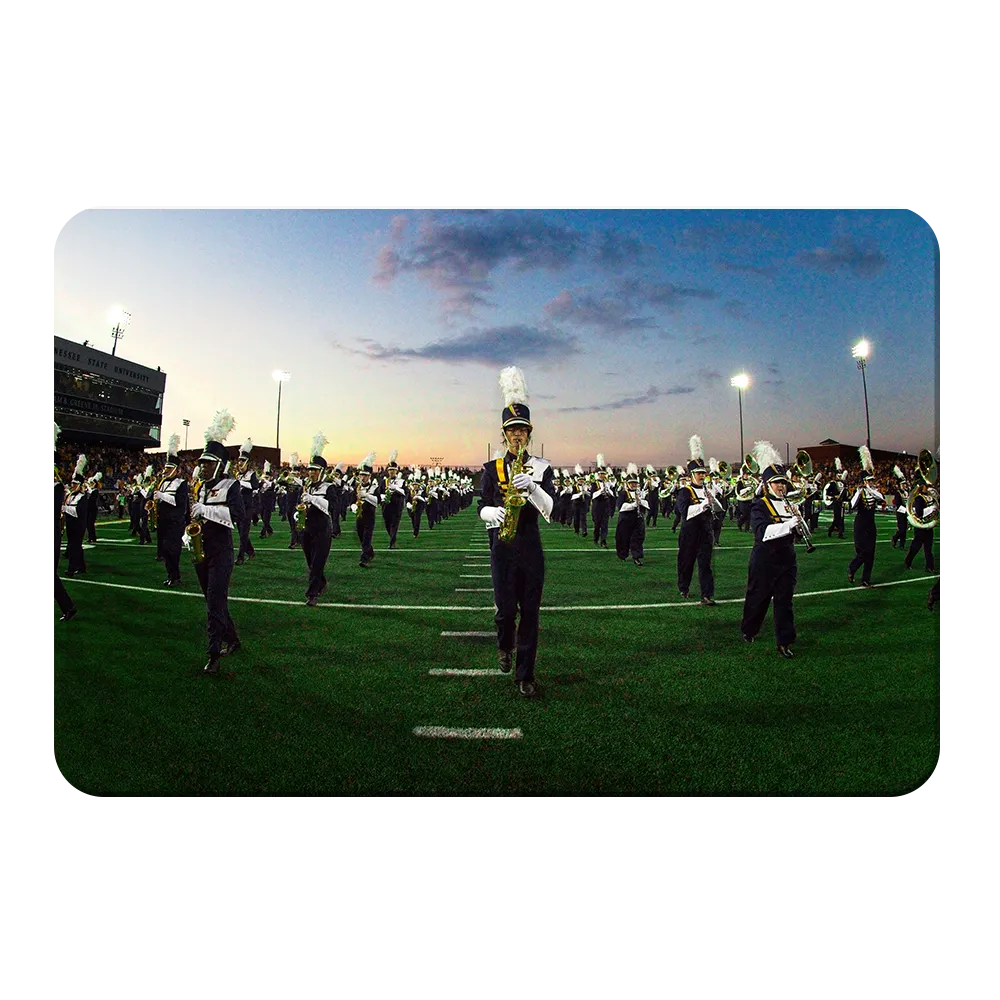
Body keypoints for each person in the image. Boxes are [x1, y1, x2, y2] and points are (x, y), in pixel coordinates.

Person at [477, 366, 555, 698]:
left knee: (531, 613)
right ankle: (504, 643)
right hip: (501, 546)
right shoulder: (491, 469)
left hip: (530, 545)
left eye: (522, 429)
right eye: (511, 431)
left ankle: (526, 674)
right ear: (504, 434)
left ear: (529, 432)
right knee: (506, 609)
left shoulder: (542, 467)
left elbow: (553, 510)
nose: (517, 435)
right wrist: (489, 512)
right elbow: (480, 504)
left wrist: (534, 488)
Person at [188, 410, 245, 675]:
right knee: (214, 600)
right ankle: (232, 638)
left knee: (213, 601)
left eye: (208, 463)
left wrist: (205, 510)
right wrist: (188, 536)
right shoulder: (200, 487)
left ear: (220, 464)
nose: (203, 466)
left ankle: (213, 654)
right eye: (202, 462)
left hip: (222, 551)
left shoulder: (231, 486)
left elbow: (237, 516)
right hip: (203, 551)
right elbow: (196, 515)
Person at [740, 441, 802, 658]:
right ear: (766, 485)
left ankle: (784, 641)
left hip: (787, 560)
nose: (780, 486)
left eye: (782, 482)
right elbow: (762, 533)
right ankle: (749, 629)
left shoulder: (790, 504)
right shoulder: (759, 504)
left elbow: (796, 534)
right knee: (758, 599)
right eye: (775, 483)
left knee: (785, 601)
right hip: (764, 561)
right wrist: (788, 525)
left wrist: (800, 527)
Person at [676, 435, 719, 606]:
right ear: (692, 474)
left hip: (705, 532)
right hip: (689, 532)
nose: (702, 476)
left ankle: (707, 594)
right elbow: (684, 512)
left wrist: (713, 505)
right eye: (699, 473)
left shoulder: (709, 490)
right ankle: (684, 587)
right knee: (686, 562)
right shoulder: (685, 491)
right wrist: (703, 505)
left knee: (706, 565)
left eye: (703, 473)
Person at [300, 434, 335, 606]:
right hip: (307, 528)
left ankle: (312, 593)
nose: (311, 472)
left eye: (315, 470)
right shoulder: (307, 486)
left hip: (323, 529)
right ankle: (321, 582)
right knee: (310, 561)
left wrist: (312, 499)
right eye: (310, 469)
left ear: (321, 472)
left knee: (317, 562)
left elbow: (330, 507)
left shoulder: (329, 487)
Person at [154, 435, 189, 587]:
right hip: (163, 520)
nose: (166, 471)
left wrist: (162, 495)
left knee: (173, 549)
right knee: (165, 550)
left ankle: (175, 576)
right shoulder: (162, 483)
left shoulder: (182, 484)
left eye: (170, 468)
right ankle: (171, 574)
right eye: (166, 468)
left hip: (175, 521)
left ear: (177, 470)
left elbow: (180, 503)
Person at [847, 446, 881, 588]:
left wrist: (869, 488)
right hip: (860, 525)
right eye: (870, 480)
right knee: (863, 552)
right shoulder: (859, 492)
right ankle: (852, 568)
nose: (873, 482)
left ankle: (865, 580)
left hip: (870, 525)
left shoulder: (874, 491)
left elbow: (881, 497)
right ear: (864, 480)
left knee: (871, 554)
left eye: (872, 480)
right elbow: (852, 505)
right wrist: (860, 490)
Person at [62, 455, 89, 577]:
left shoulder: (83, 497)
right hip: (70, 524)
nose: (72, 486)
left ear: (79, 485)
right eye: (72, 483)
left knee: (74, 546)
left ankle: (71, 569)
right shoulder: (71, 496)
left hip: (78, 525)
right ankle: (82, 566)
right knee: (75, 546)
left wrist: (64, 508)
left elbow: (78, 512)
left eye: (75, 484)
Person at [615, 464, 647, 565]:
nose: (633, 485)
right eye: (631, 483)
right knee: (624, 538)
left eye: (635, 483)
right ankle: (623, 554)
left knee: (638, 538)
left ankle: (636, 557)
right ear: (627, 484)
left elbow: (645, 503)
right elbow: (620, 506)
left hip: (638, 519)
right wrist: (634, 504)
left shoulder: (639, 492)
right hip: (626, 518)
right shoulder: (623, 493)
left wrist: (642, 502)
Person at [353, 451, 379, 568]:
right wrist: (353, 506)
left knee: (366, 538)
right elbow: (352, 500)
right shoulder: (357, 487)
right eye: (361, 475)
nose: (362, 477)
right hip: (359, 515)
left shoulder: (374, 487)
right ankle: (370, 552)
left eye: (365, 475)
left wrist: (365, 495)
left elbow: (376, 501)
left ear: (369, 476)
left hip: (370, 515)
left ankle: (364, 559)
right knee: (361, 536)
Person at [904, 483, 937, 573]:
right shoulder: (919, 498)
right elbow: (919, 513)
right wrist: (931, 509)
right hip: (921, 526)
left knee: (928, 548)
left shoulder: (930, 497)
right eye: (926, 486)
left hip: (929, 525)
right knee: (916, 546)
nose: (928, 488)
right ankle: (908, 561)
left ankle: (929, 567)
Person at [235, 438, 258, 565]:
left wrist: (241, 483)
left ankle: (240, 557)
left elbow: (255, 486)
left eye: (242, 460)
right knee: (241, 532)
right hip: (239, 506)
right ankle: (251, 551)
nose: (240, 462)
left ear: (247, 462)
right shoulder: (238, 475)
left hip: (248, 507)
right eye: (239, 460)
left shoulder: (251, 474)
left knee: (244, 533)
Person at [590, 456, 614, 549]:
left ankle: (603, 541)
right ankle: (596, 537)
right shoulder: (594, 483)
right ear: (598, 474)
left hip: (605, 505)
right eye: (601, 474)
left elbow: (612, 494)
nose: (603, 476)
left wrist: (608, 490)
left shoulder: (607, 483)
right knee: (597, 525)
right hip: (597, 505)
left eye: (604, 474)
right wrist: (601, 491)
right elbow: (593, 495)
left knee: (605, 524)